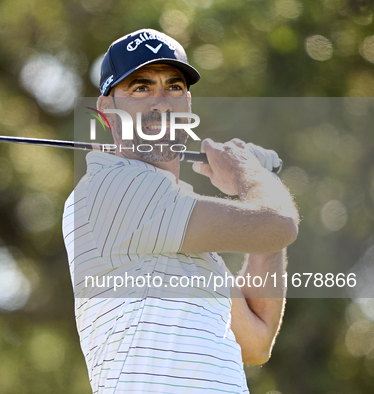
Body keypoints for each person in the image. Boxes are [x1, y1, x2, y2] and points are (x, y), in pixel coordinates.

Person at [62, 29, 299, 393]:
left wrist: (259, 180)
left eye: (174, 87)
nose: (162, 102)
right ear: (107, 112)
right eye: (141, 87)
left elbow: (256, 340)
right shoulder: (110, 189)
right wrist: (250, 176)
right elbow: (278, 223)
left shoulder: (183, 228)